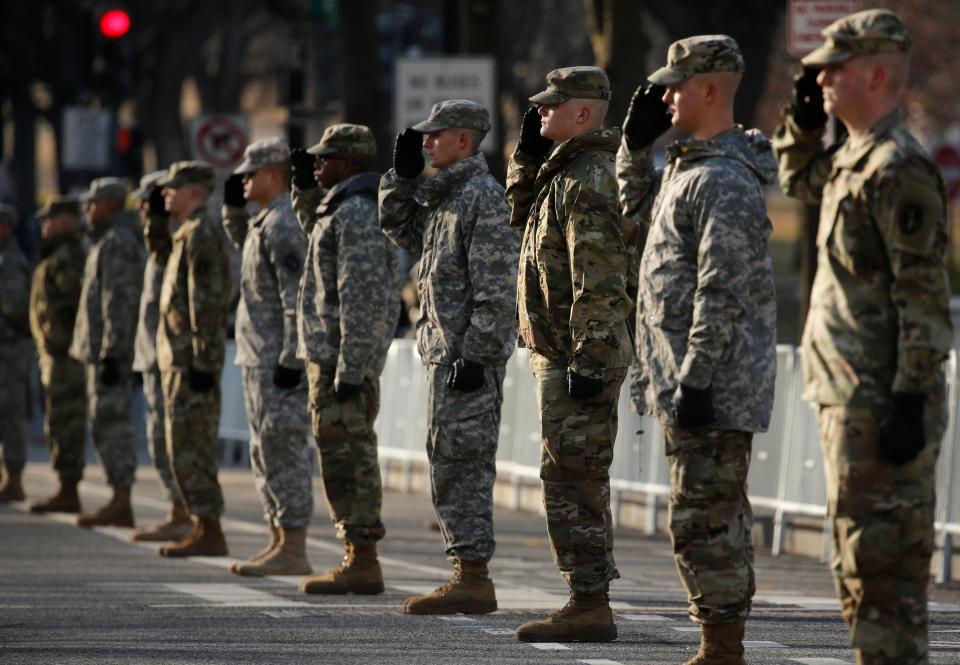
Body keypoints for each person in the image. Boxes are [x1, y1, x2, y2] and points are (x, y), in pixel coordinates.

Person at [773, 10, 951, 664]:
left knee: (886, 580)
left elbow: (923, 295)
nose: (818, 77)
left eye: (832, 68)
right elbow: (796, 181)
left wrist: (909, 398)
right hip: (847, 396)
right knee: (858, 569)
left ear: (876, 73)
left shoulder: (898, 168)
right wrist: (799, 123)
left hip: (881, 401)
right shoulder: (852, 156)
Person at [619, 36, 778, 663]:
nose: (665, 96)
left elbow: (722, 288)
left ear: (711, 89)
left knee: (707, 521)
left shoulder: (722, 180)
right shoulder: (686, 169)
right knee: (697, 518)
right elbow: (633, 220)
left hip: (711, 384)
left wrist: (697, 378)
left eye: (677, 85)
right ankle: (718, 642)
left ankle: (723, 645)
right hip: (687, 378)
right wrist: (634, 150)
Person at [505, 66, 632, 643]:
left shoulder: (591, 176)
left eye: (552, 106)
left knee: (575, 477)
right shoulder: (562, 171)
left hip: (579, 356)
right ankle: (584, 597)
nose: (539, 114)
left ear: (583, 113)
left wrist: (590, 357)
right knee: (564, 476)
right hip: (560, 352)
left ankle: (589, 602)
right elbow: (521, 217)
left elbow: (599, 276)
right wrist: (526, 159)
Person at [379, 100, 518, 614]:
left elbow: (497, 289)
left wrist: (477, 356)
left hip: (467, 361)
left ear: (464, 140)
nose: (427, 143)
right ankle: (465, 570)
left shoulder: (482, 198)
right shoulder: (443, 200)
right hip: (447, 355)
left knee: (463, 465)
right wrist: (401, 175)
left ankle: (474, 576)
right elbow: (397, 226)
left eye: (436, 137)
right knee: (447, 461)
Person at [289, 124, 401, 594]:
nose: (317, 164)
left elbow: (359, 294)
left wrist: (352, 368)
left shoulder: (355, 212)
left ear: (349, 163)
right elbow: (317, 232)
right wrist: (302, 190)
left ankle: (362, 556)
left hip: (341, 362)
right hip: (331, 358)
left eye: (325, 158)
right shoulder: (338, 208)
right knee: (337, 456)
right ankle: (356, 553)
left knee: (350, 458)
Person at [221, 138, 313, 576]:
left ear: (274, 175)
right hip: (258, 355)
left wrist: (291, 359)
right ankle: (278, 537)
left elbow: (296, 297)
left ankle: (293, 545)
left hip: (277, 359)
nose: (243, 180)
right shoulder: (263, 222)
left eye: (251, 173)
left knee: (282, 447)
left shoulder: (283, 224)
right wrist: (231, 211)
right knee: (264, 450)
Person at [155, 161, 232, 558]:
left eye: (175, 187)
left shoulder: (202, 233)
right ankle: (202, 524)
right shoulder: (184, 232)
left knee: (193, 446)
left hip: (192, 363)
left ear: (196, 193)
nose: (167, 192)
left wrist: (203, 360)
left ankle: (210, 528)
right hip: (179, 361)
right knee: (180, 446)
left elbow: (205, 303)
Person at [70, 178, 145, 527]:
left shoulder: (117, 243)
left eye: (94, 203)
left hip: (109, 353)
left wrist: (113, 352)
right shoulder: (103, 242)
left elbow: (119, 299)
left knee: (113, 424)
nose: (88, 210)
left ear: (111, 204)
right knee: (102, 423)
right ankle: (118, 497)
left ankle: (122, 499)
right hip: (98, 350)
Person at [129, 171, 193, 542]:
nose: (142, 209)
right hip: (152, 355)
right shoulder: (158, 244)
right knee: (157, 438)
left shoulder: (175, 241)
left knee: (171, 439)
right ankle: (176, 509)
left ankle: (184, 512)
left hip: (170, 357)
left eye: (149, 202)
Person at [28, 196, 89, 514]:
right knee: (57, 421)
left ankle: (69, 487)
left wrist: (61, 341)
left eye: (48, 220)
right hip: (54, 353)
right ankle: (65, 487)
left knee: (66, 422)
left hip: (66, 356)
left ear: (65, 221)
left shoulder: (68, 256)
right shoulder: (56, 255)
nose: (44, 226)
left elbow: (72, 305)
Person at [0, 204, 33, 504]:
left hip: (9, 353)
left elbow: (16, 308)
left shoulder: (10, 262)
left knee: (11, 417)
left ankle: (14, 480)